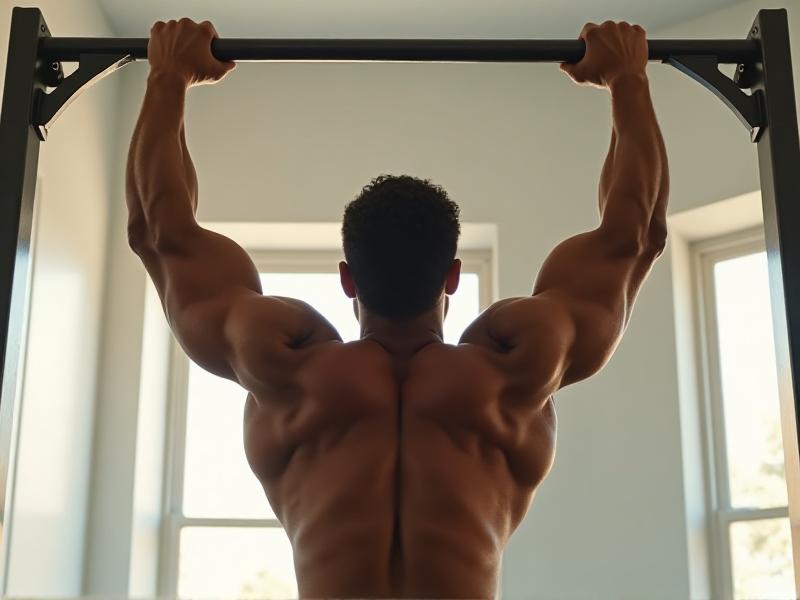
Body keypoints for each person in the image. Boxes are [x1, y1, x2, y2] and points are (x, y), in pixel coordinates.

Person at [126, 17, 668, 599]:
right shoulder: (516, 366)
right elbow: (634, 234)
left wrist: (169, 75)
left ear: (347, 279)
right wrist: (627, 78)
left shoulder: (284, 363)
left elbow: (161, 232)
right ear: (452, 277)